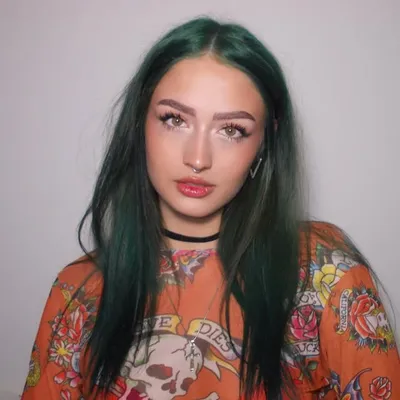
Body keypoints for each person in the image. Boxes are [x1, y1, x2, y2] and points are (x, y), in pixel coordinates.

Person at [21, 17, 399, 400]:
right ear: (139, 124)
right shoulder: (78, 291)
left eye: (231, 130)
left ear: (264, 144)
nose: (198, 158)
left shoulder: (325, 275)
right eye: (175, 120)